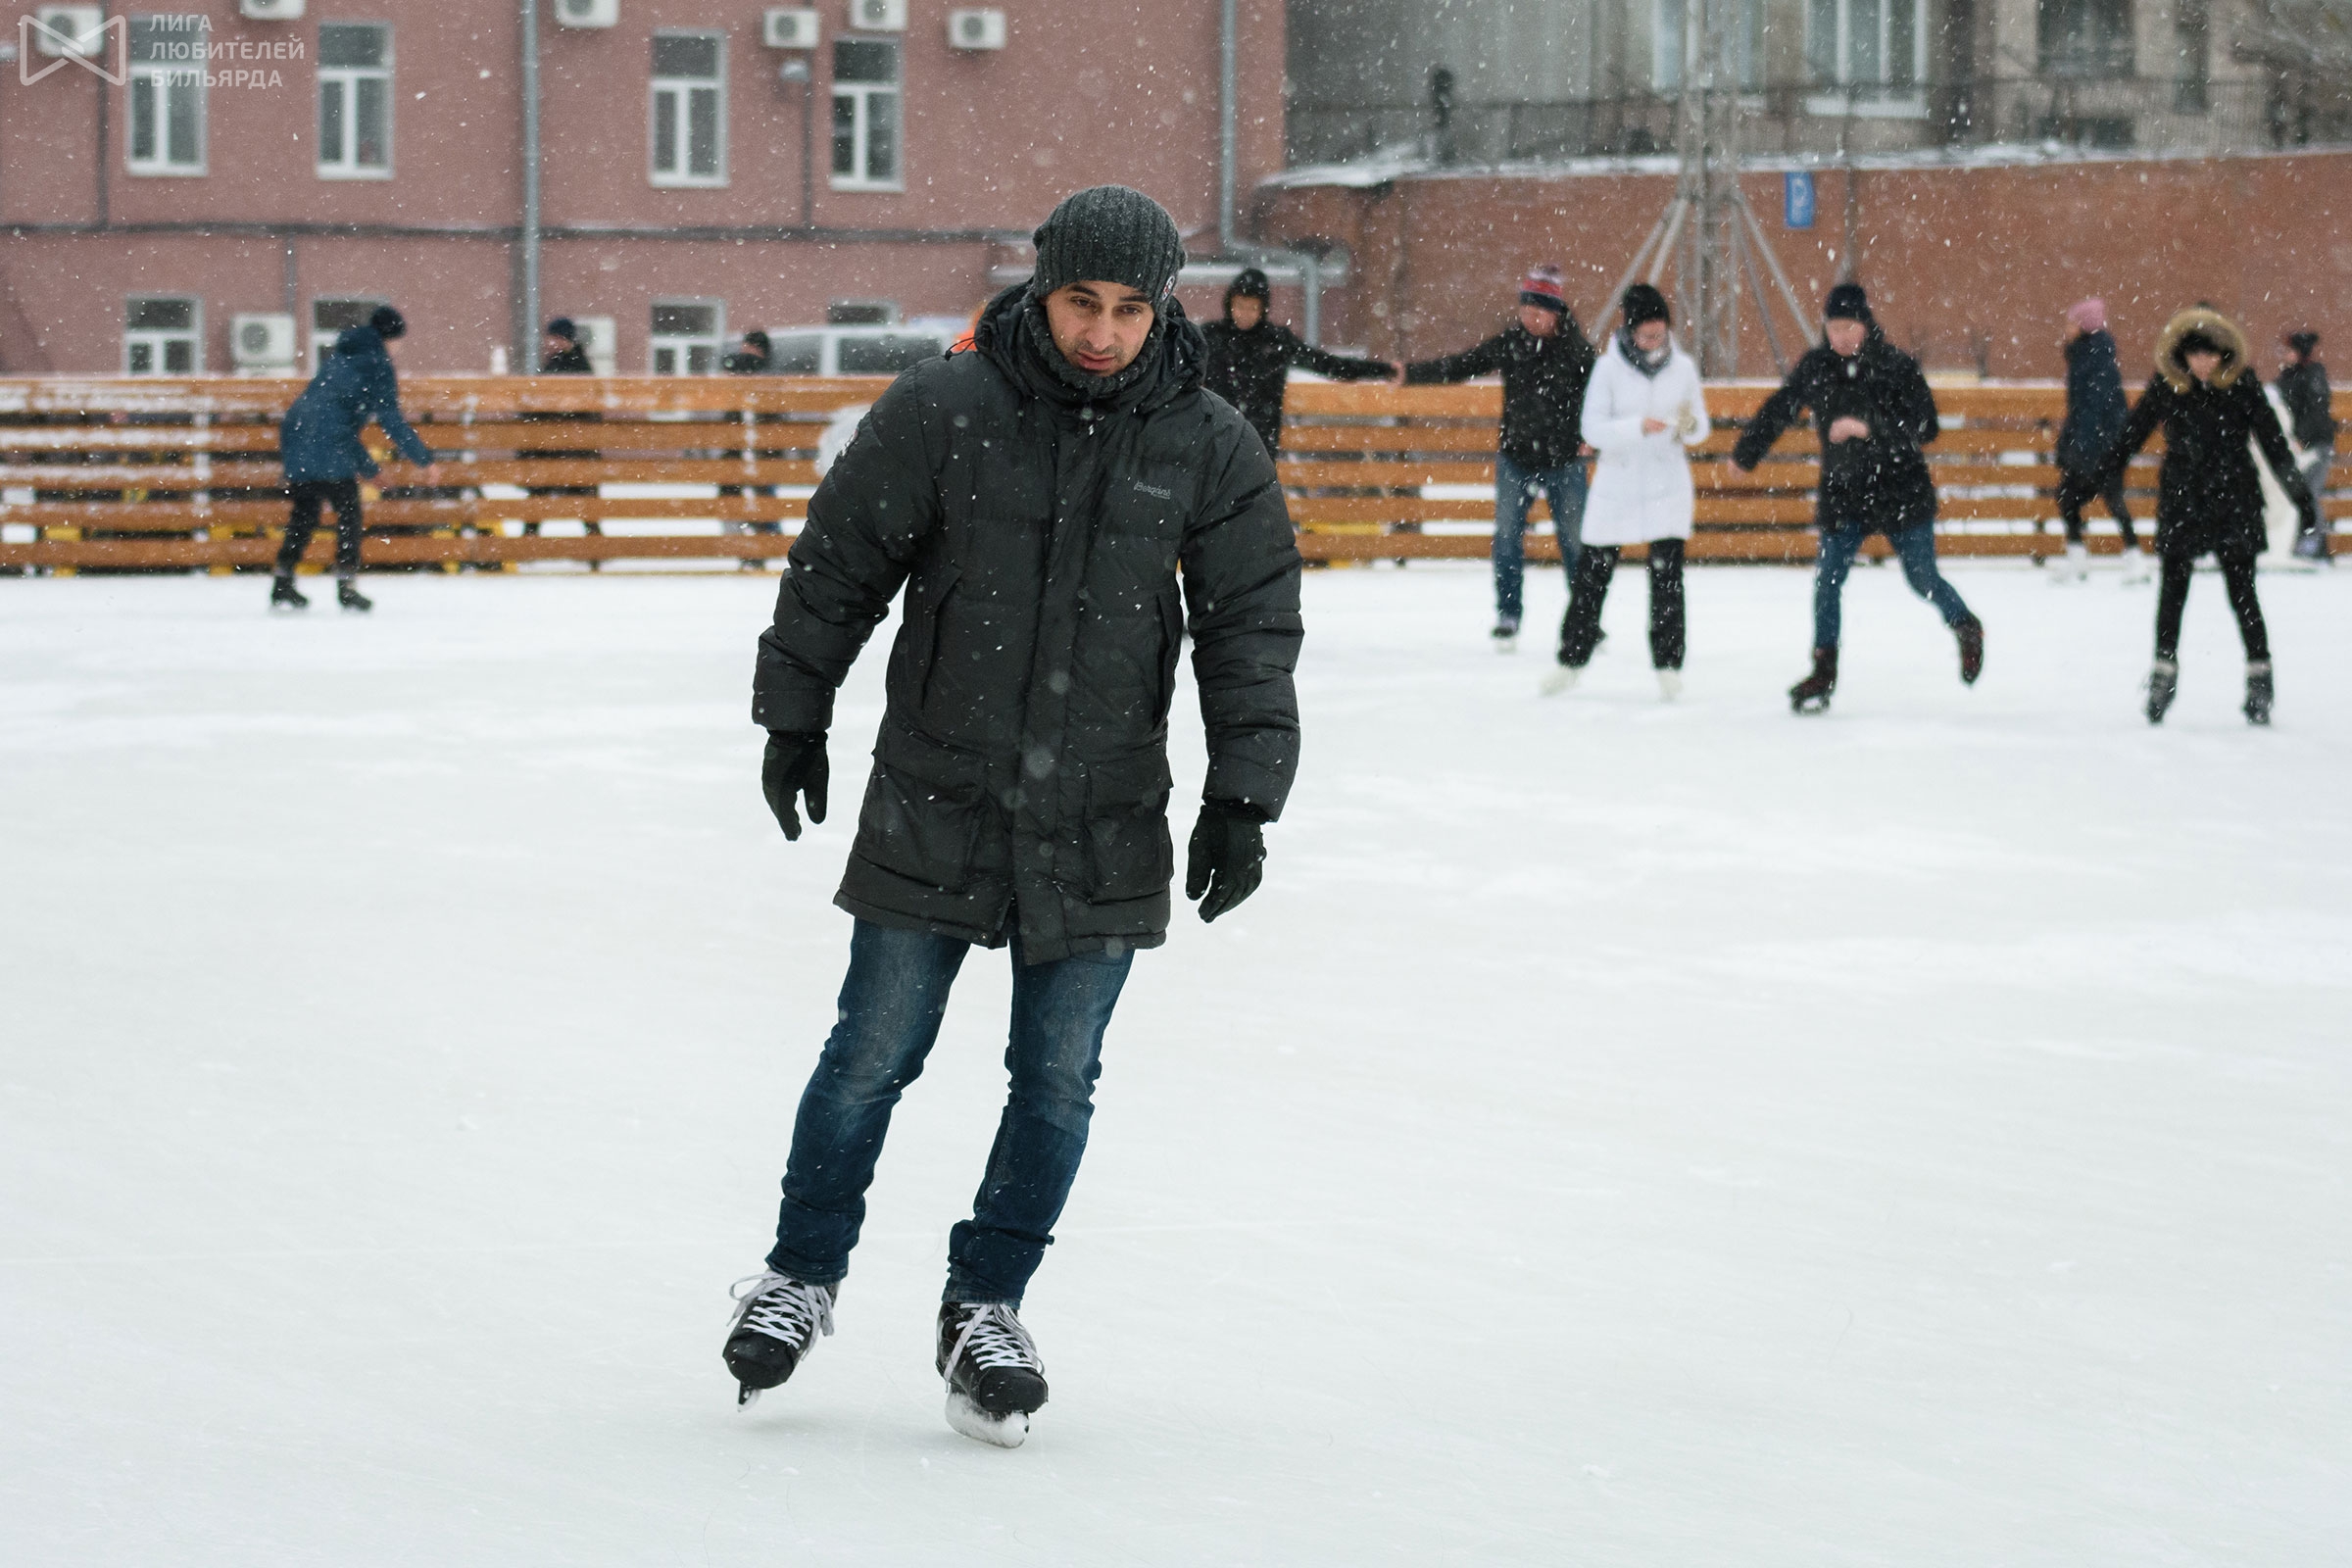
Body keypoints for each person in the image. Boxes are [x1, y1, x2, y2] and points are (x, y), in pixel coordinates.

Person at [727, 185, 1302, 1448]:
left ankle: (986, 1303)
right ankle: (800, 1273)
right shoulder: (947, 406)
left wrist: (1244, 796)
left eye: (1130, 309)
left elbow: (1251, 624)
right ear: (1042, 291)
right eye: (1081, 302)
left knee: (1055, 1081)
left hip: (1104, 809)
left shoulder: (1205, 441)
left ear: (1164, 309)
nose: (1103, 332)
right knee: (871, 1052)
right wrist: (795, 713)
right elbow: (839, 560)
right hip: (938, 786)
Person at [1732, 282, 1984, 713]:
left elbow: (1927, 426)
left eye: (1850, 327)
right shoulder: (1817, 366)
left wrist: (1869, 428)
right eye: (1834, 328)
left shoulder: (1894, 365)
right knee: (1828, 581)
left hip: (1900, 489)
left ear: (1866, 324)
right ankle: (1823, 670)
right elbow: (1781, 407)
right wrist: (1746, 453)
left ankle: (1966, 626)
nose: (1842, 337)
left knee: (1922, 578)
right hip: (1845, 493)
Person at [2061, 307, 2316, 725]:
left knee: (2242, 593)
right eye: (2195, 355)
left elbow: (2274, 444)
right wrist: (2095, 480)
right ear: (2182, 355)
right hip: (2184, 498)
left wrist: (2302, 499)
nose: (2203, 363)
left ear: (2224, 354)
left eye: (2210, 354)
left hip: (2234, 498)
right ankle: (2163, 673)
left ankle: (2260, 677)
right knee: (2173, 592)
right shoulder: (2168, 385)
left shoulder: (2243, 385)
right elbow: (2132, 434)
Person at [1398, 265, 1596, 647]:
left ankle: (1586, 616)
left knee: (1575, 542)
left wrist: (1591, 436)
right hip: (1516, 458)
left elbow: (1600, 398)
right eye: (1525, 310)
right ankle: (1508, 614)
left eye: (1537, 312)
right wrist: (1412, 374)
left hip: (1565, 461)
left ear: (1555, 312)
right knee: (1506, 538)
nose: (1529, 318)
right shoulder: (1512, 343)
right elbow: (1462, 364)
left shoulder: (1578, 351)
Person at [1542, 282, 1707, 701]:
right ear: (1631, 331)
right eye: (1646, 335)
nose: (1654, 342)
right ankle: (1570, 660)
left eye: (1660, 334)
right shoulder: (1608, 369)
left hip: (1666, 485)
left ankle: (1668, 665)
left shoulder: (1683, 369)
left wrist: (1689, 426)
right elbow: (1592, 429)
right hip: (1618, 485)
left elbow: (1699, 426)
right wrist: (1636, 427)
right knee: (1593, 577)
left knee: (1667, 579)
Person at [270, 305, 437, 612]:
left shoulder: (343, 355)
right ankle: (346, 586)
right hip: (324, 440)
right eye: (399, 340)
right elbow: (388, 419)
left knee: (305, 513)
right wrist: (423, 459)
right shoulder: (377, 363)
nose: (399, 347)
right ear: (390, 337)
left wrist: (369, 468)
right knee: (349, 515)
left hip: (296, 431)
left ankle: (283, 581)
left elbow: (332, 421)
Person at [1200, 267, 1394, 456]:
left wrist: (1384, 370)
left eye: (1253, 307)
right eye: (1240, 306)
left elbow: (1328, 364)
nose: (1245, 314)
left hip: (1260, 443)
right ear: (1230, 304)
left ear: (1262, 309)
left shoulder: (1276, 341)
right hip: (1217, 440)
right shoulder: (1211, 337)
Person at [2053, 298, 2151, 583]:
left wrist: (2084, 446)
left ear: (2084, 326)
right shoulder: (2085, 356)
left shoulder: (2094, 360)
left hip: (2100, 445)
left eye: (2072, 323)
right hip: (2094, 443)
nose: (2067, 328)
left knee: (2103, 498)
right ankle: (2088, 558)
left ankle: (2130, 559)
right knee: (2074, 497)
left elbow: (2095, 407)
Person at [520, 318, 602, 561]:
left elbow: (567, 405)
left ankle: (529, 547)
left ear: (566, 339)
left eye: (555, 338)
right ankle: (595, 550)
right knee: (577, 500)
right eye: (550, 338)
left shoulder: (573, 366)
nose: (550, 342)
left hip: (568, 447)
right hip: (563, 447)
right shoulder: (561, 364)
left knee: (559, 498)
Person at [2276, 329, 2335, 562]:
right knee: (2298, 493)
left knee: (2309, 493)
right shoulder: (2287, 377)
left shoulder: (2313, 375)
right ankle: (2305, 539)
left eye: (2289, 350)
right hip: (2295, 446)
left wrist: (2302, 438)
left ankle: (2314, 540)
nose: (2285, 355)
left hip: (2316, 447)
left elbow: (2316, 412)